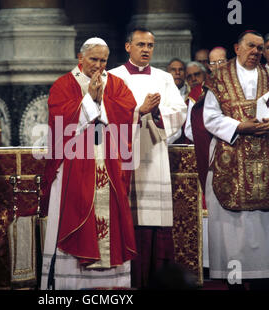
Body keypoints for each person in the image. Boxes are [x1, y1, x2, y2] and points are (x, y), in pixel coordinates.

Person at [39, 37, 137, 290]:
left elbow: (127, 110)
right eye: (93, 59)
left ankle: (111, 286)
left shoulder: (116, 84)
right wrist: (89, 100)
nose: (98, 65)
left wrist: (100, 101)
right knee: (75, 213)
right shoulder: (63, 84)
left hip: (108, 163)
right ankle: (71, 285)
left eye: (103, 60)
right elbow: (59, 118)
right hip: (73, 164)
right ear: (80, 58)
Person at [203, 30, 269, 290]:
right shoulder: (218, 78)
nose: (256, 52)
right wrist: (239, 126)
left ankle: (264, 276)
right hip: (231, 156)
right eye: (251, 47)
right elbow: (210, 116)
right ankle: (235, 281)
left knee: (263, 224)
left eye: (260, 48)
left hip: (266, 156)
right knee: (234, 229)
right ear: (237, 48)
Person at [109, 27, 187, 289]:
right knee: (127, 216)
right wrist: (137, 111)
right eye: (140, 44)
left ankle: (155, 280)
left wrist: (155, 114)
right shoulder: (113, 77)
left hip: (154, 153)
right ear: (128, 46)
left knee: (152, 218)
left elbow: (179, 111)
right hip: (122, 154)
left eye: (150, 46)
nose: (146, 50)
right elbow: (105, 116)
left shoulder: (164, 78)